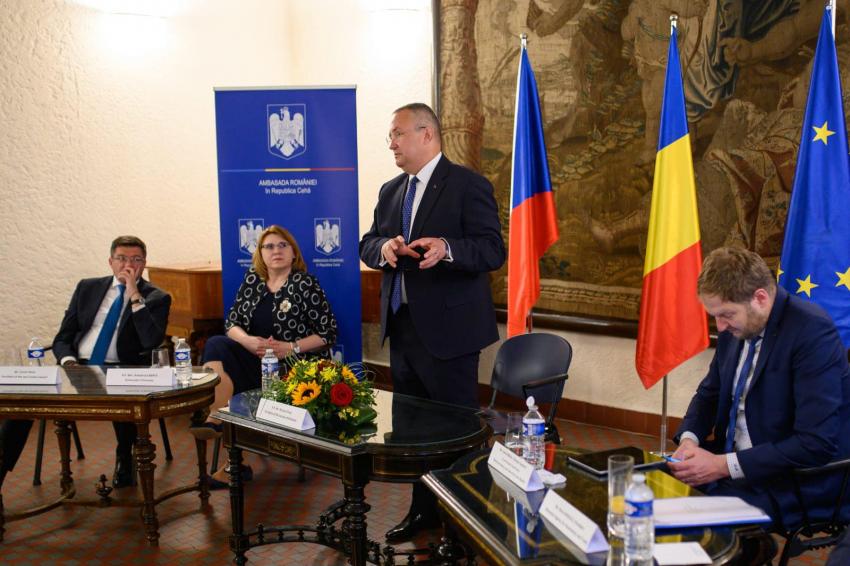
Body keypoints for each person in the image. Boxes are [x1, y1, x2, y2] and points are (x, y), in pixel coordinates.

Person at [359, 102, 506, 542]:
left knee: (457, 433)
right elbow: (367, 243)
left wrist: (447, 247)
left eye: (398, 134)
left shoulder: (467, 185)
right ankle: (423, 511)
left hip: (451, 335)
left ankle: (466, 520)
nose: (391, 143)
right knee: (412, 434)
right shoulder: (391, 191)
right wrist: (385, 249)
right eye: (390, 136)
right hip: (402, 330)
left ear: (427, 134)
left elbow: (492, 250)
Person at [669, 246, 850, 530]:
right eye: (714, 316)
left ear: (760, 298)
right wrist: (689, 441)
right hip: (732, 462)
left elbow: (814, 443)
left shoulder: (811, 332)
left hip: (792, 478)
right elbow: (709, 394)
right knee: (651, 489)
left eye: (726, 315)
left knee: (698, 520)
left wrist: (721, 466)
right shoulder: (737, 327)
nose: (720, 326)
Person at [0, 236, 172, 489]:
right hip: (77, 367)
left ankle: (125, 456)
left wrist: (134, 294)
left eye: (136, 259)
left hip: (123, 369)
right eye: (122, 258)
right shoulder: (87, 288)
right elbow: (63, 337)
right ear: (110, 262)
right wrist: (69, 362)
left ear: (144, 264)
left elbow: (150, 341)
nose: (128, 265)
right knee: (21, 403)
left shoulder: (157, 297)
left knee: (125, 394)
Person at [197, 225, 337, 487]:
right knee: (216, 344)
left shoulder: (305, 283)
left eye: (283, 245)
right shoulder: (253, 280)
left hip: (292, 367)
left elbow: (328, 333)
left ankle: (232, 463)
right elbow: (232, 323)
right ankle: (217, 417)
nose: (276, 251)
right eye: (269, 246)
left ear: (293, 253)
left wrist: (291, 346)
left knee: (236, 381)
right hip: (255, 360)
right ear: (260, 253)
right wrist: (248, 341)